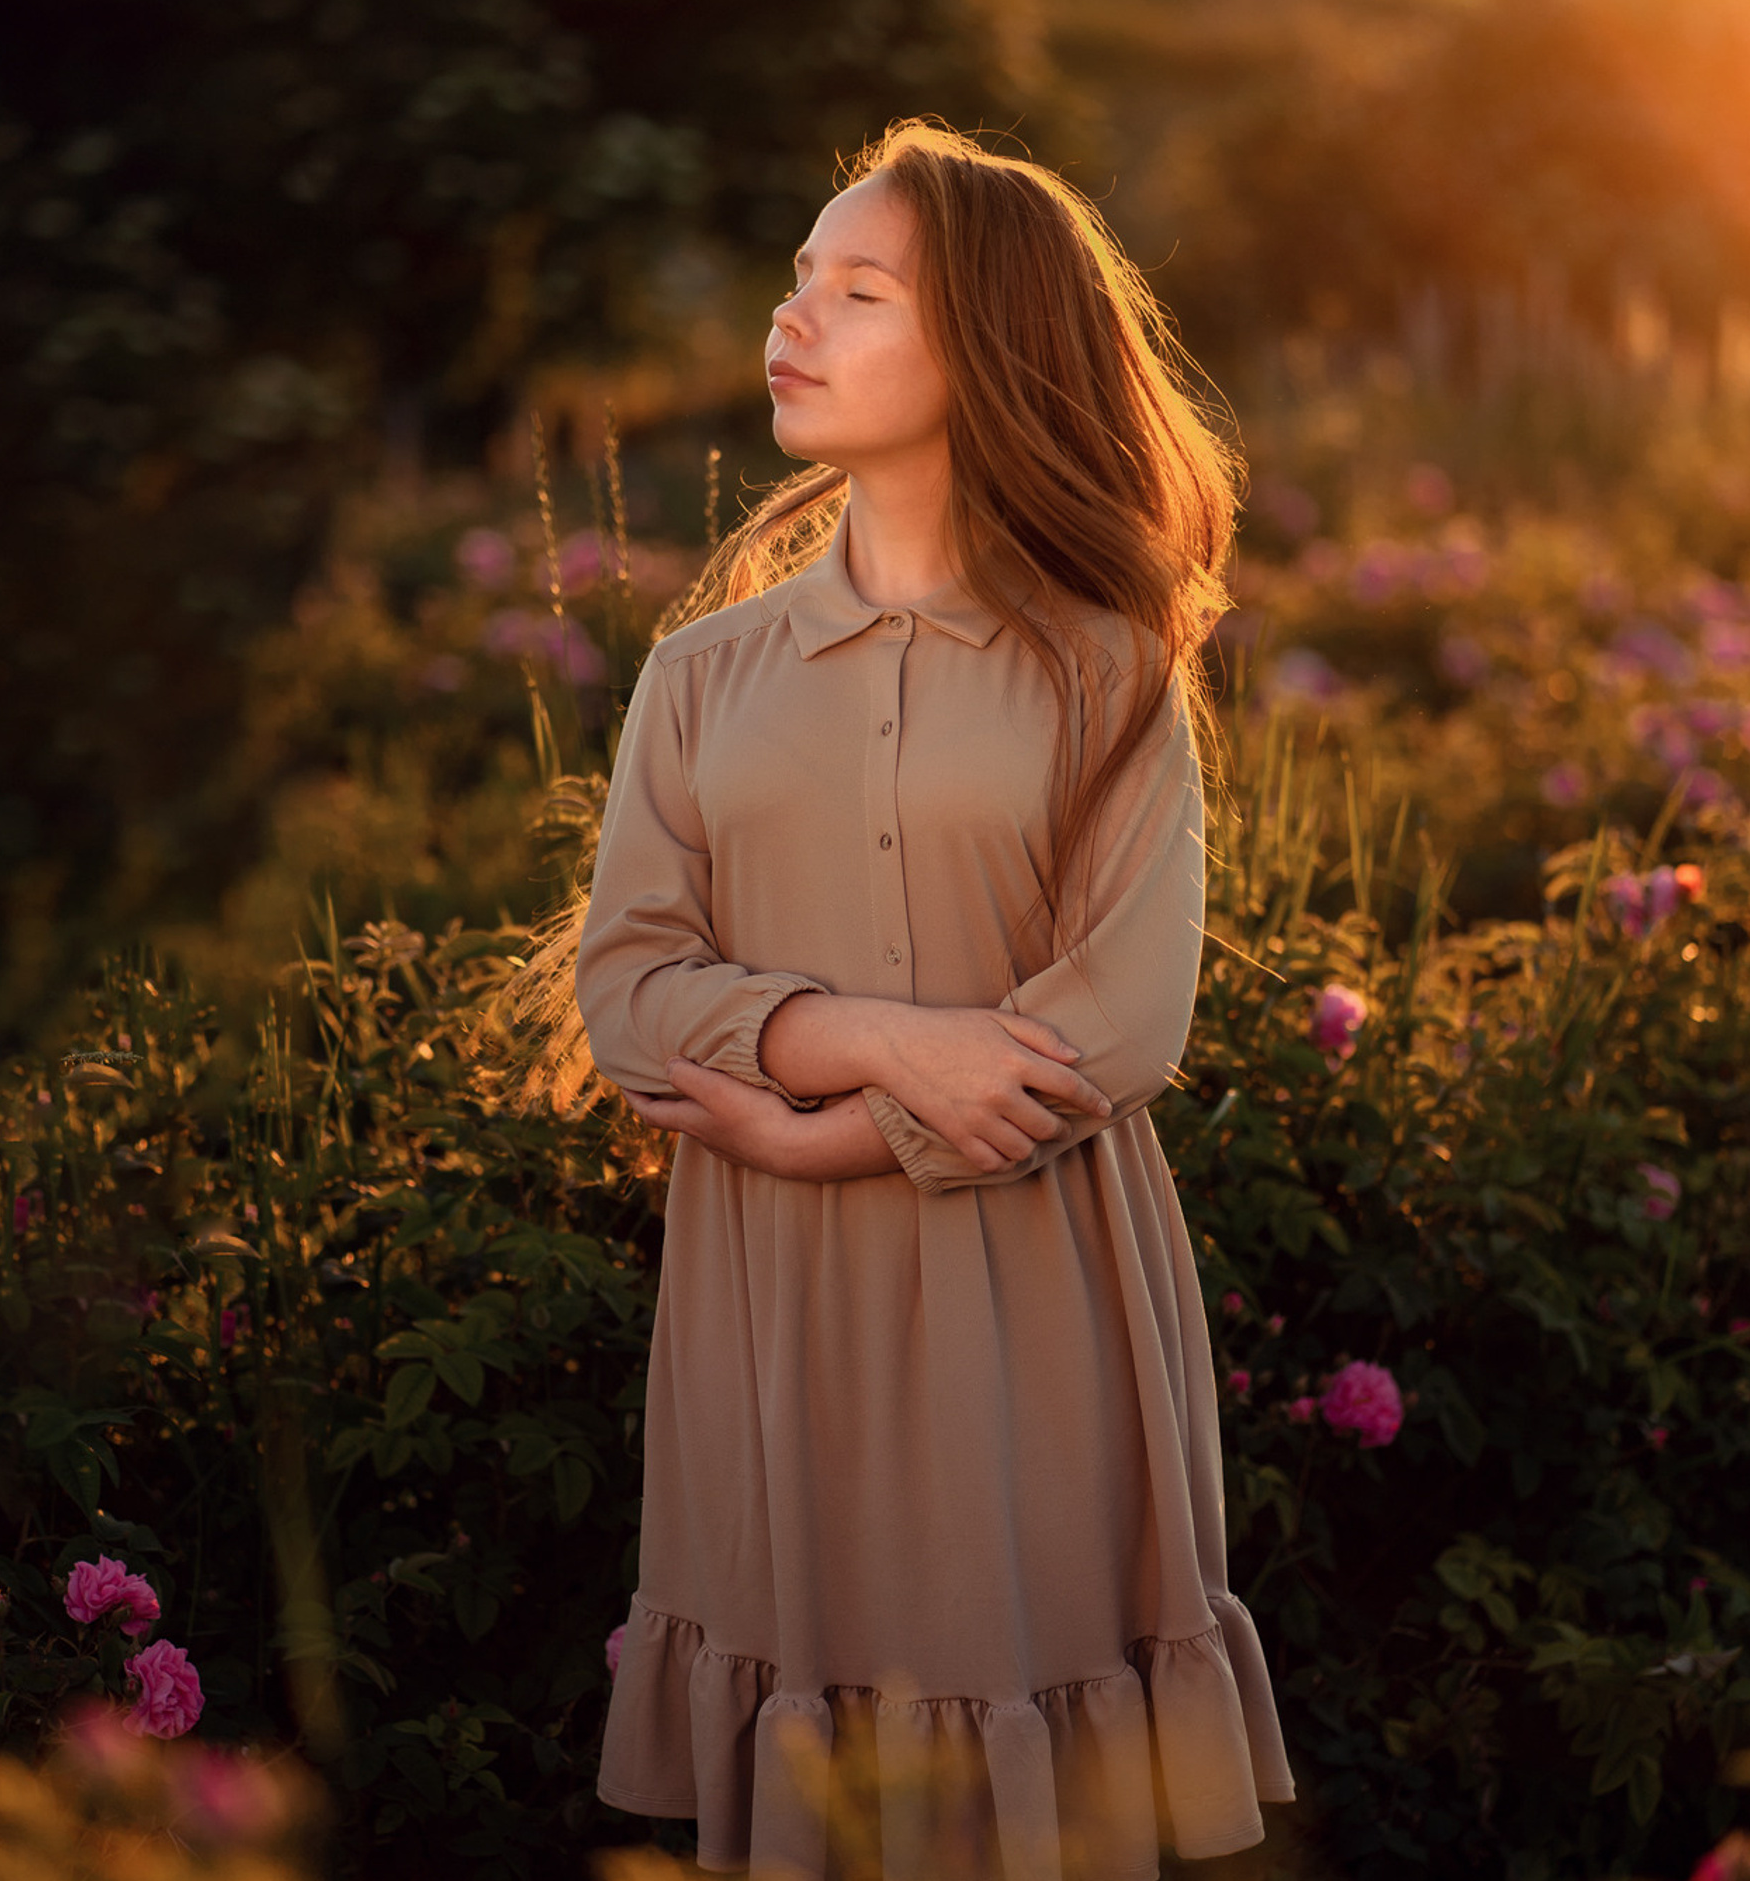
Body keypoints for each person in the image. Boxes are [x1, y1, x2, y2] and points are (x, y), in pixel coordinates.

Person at [552, 119, 1294, 1879]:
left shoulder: (1110, 662)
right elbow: (627, 987)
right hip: (767, 1320)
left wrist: (803, 1140)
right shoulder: (699, 674)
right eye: (798, 278)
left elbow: (1115, 1031)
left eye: (857, 288)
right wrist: (882, 1040)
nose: (791, 319)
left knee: (1018, 1766)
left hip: (1032, 1293)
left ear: (987, 345)